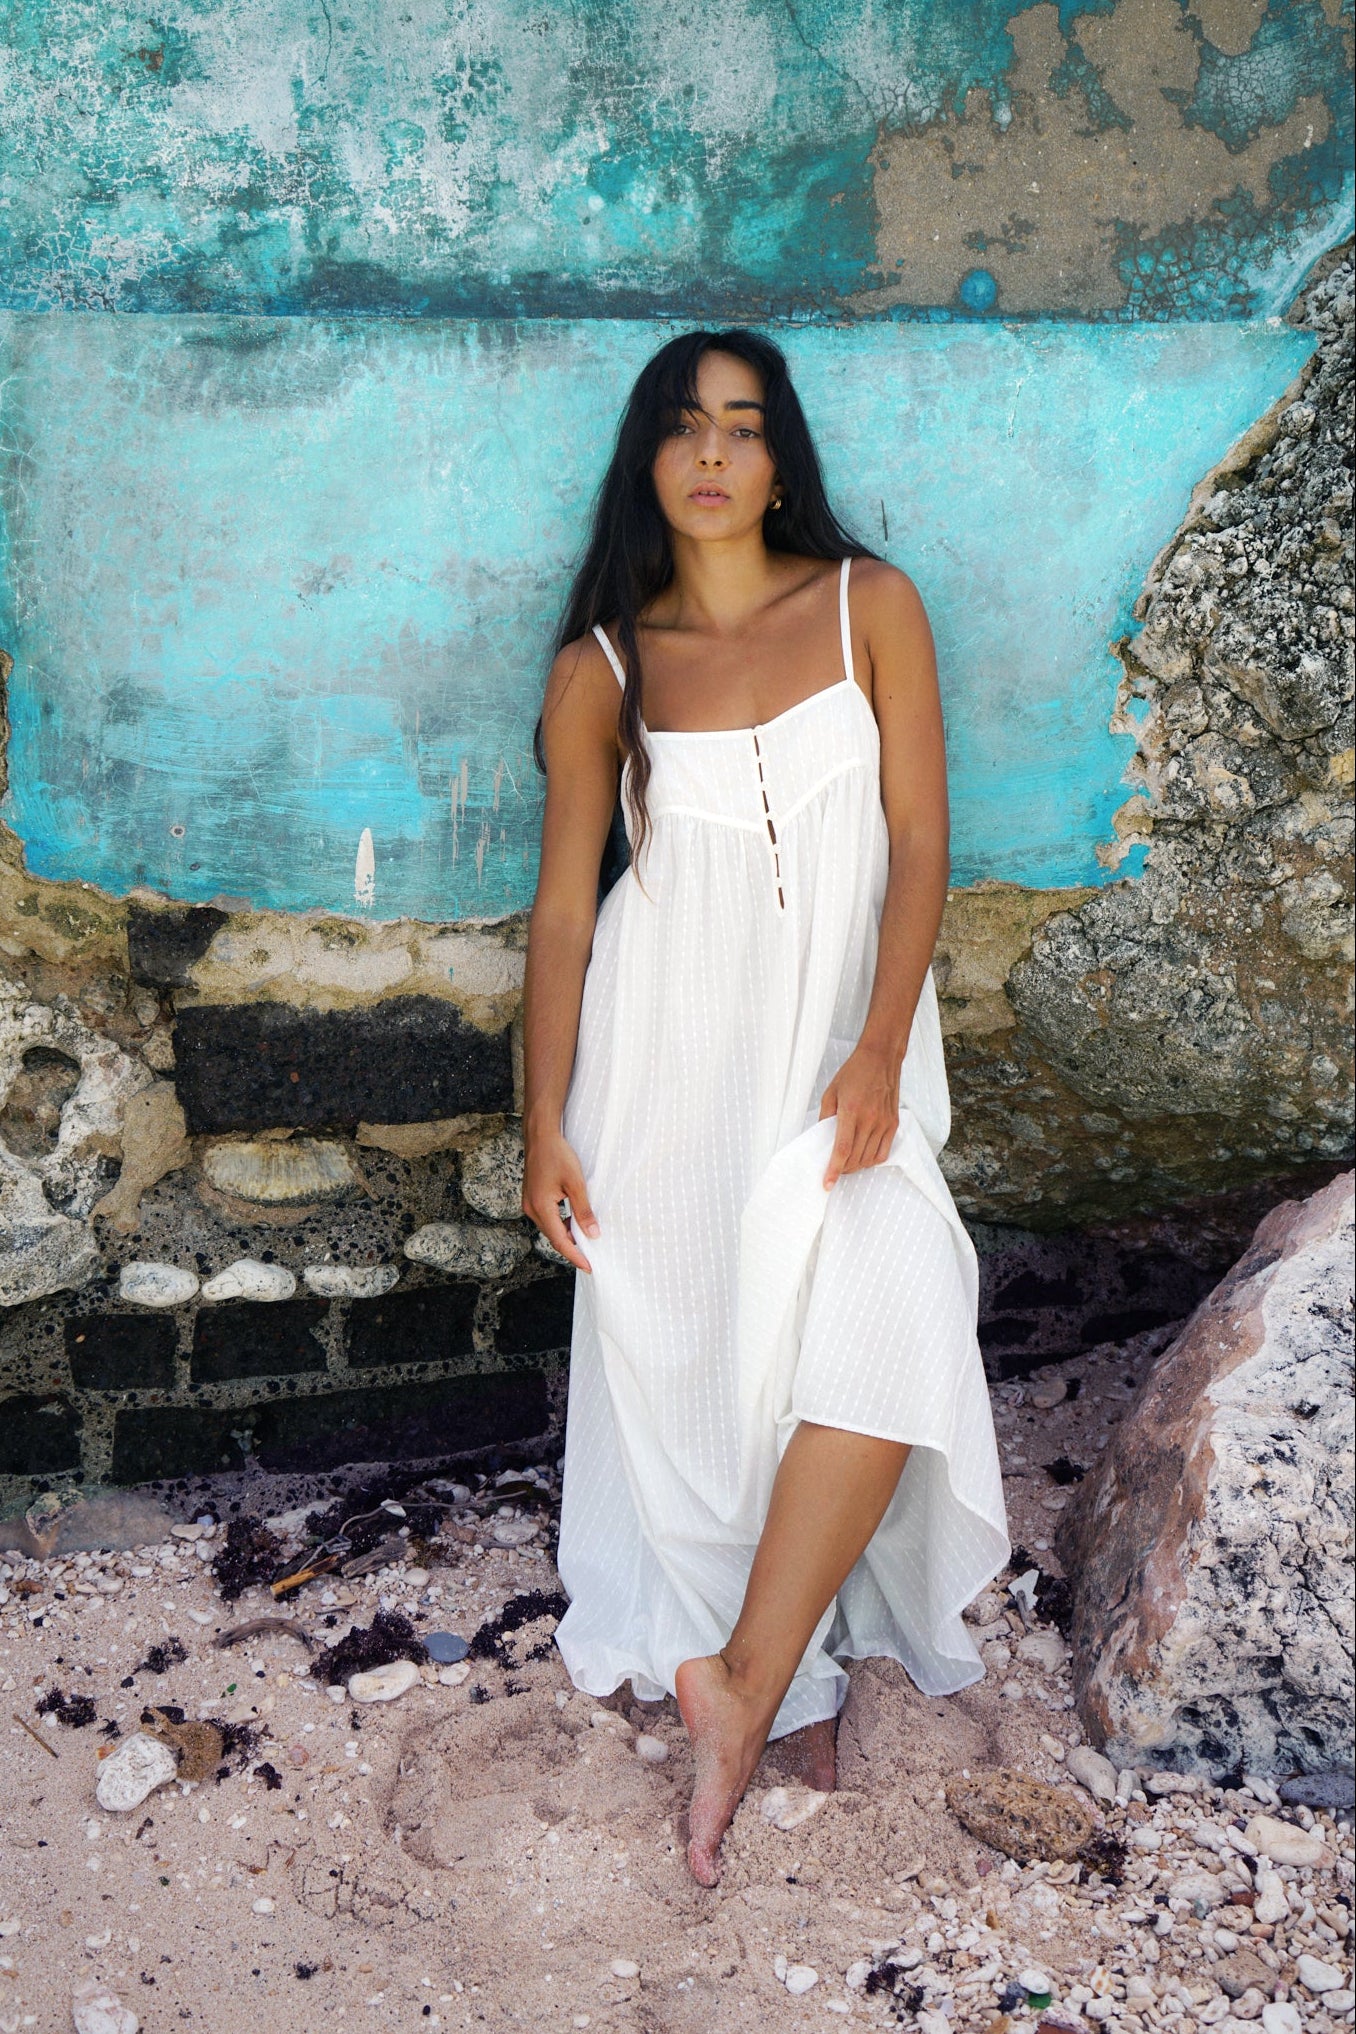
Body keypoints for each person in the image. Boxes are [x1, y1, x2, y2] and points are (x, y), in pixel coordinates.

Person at [521, 328, 1008, 1888]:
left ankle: (744, 1674)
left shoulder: (874, 608)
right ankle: (750, 1677)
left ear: (781, 458)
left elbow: (921, 844)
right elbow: (562, 920)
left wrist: (876, 1051)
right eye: (684, 428)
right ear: (648, 462)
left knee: (901, 1287)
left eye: (743, 426)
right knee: (710, 1376)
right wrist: (541, 1122)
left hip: (834, 1068)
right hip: (664, 1081)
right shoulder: (604, 669)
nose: (715, 454)